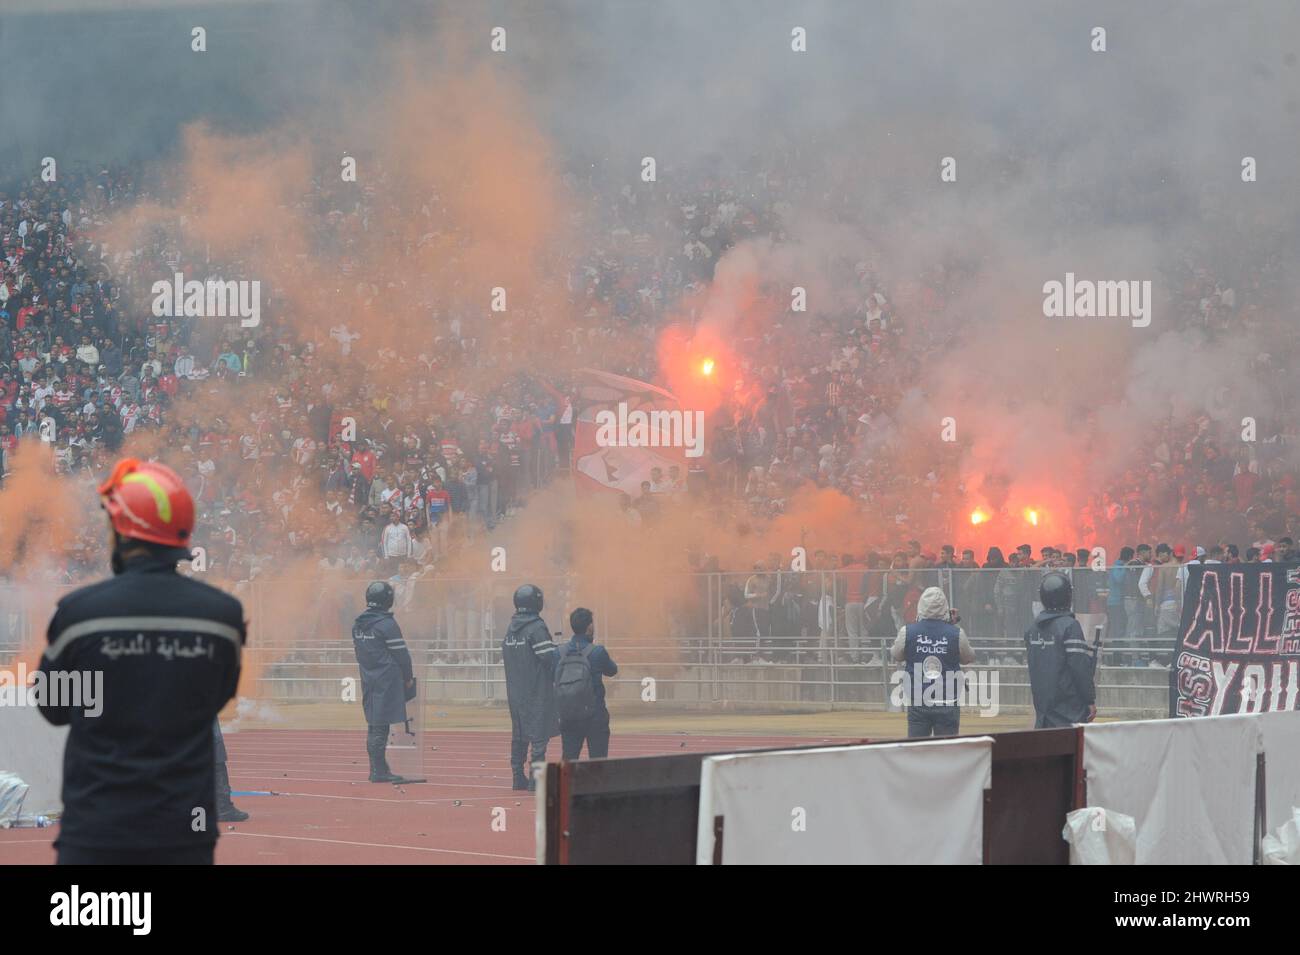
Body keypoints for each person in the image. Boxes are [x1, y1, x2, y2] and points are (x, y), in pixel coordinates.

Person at [37, 458, 245, 865]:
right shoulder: (221, 617)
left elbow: (53, 709)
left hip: (98, 831)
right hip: (185, 833)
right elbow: (214, 699)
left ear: (121, 530)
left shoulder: (80, 614)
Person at [351, 580, 419, 784]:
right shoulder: (387, 624)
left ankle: (378, 768)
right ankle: (378, 771)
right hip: (387, 678)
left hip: (368, 676)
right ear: (387, 600)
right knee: (380, 726)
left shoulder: (358, 625)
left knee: (374, 724)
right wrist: (408, 677)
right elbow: (402, 656)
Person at [890, 586, 974, 738]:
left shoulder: (907, 631)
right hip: (947, 700)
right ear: (945, 607)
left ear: (921, 605)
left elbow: (896, 655)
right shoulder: (956, 633)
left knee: (917, 749)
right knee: (946, 751)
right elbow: (968, 657)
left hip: (918, 699)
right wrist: (952, 626)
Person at [502, 583, 559, 790]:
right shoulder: (536, 627)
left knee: (519, 735)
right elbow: (548, 657)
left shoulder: (511, 628)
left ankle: (517, 776)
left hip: (515, 692)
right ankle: (536, 779)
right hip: (537, 691)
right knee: (538, 736)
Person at [1024, 572, 1097, 728]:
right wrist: (1089, 699)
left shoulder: (1032, 629)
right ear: (1068, 596)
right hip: (1069, 709)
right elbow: (1079, 668)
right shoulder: (1070, 626)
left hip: (1043, 709)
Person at [555, 608, 619, 760]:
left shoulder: (558, 652)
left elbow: (554, 677)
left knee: (568, 762)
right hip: (595, 715)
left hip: (568, 715)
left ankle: (565, 784)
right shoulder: (598, 652)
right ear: (589, 627)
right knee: (598, 762)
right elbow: (612, 670)